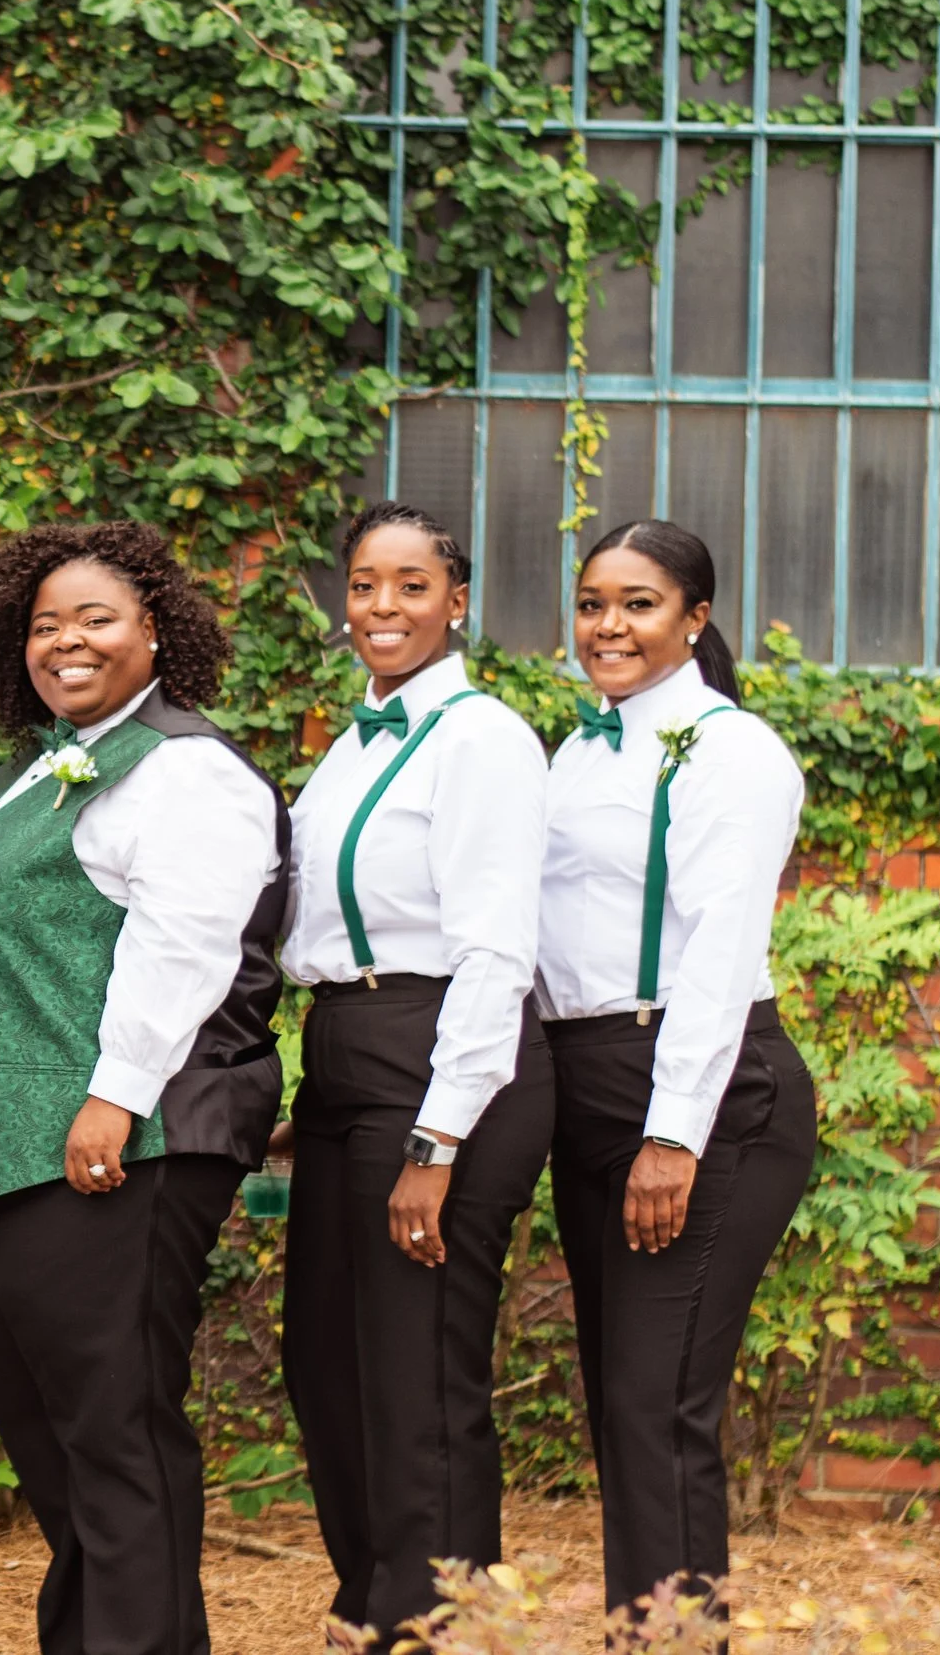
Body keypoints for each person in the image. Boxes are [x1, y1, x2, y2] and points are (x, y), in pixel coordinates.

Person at [0, 521, 289, 1655]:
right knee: (56, 1442)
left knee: (115, 1437)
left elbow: (184, 940)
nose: (64, 641)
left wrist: (113, 1095)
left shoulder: (186, 767)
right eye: (42, 624)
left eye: (95, 618)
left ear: (155, 628)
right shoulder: (32, 768)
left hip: (108, 1149)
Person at [275, 501, 553, 1634]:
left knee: (417, 1370)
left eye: (409, 584)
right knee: (321, 1356)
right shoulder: (355, 740)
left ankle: (435, 1621)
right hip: (346, 1050)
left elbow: (494, 948)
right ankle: (372, 1601)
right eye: (362, 584)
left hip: (445, 1055)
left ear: (456, 598)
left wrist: (434, 1140)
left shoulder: (482, 735)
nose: (381, 606)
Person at [539, 519, 812, 1613]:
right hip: (588, 1078)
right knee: (623, 1404)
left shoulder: (732, 750)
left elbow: (717, 951)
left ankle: (671, 1642)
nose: (608, 624)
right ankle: (650, 1632)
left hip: (703, 1087)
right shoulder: (577, 749)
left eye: (638, 602)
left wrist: (671, 1133)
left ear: (694, 618)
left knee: (658, 1402)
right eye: (593, 601)